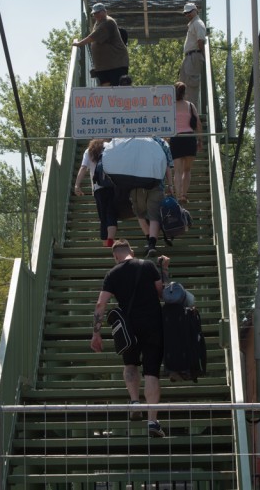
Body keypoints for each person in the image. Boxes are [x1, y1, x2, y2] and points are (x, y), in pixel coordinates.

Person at [90, 241, 170, 438]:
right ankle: (152, 421)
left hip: (127, 328)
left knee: (130, 364)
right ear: (131, 252)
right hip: (153, 324)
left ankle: (134, 402)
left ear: (116, 256)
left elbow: (100, 304)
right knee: (151, 371)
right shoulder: (148, 266)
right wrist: (165, 270)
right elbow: (162, 294)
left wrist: (96, 333)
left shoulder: (112, 274)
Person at [101, 136, 174, 258]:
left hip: (136, 184)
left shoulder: (132, 139)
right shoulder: (161, 142)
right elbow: (167, 166)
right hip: (157, 184)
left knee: (140, 213)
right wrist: (170, 185)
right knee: (154, 215)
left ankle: (148, 238)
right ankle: (152, 244)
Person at [73, 138, 118, 246]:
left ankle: (105, 242)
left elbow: (83, 168)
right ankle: (110, 240)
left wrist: (77, 185)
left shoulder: (89, 151)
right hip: (112, 186)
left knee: (103, 216)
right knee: (111, 213)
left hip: (98, 188)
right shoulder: (109, 146)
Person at [72, 3, 129, 86]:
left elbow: (93, 37)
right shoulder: (98, 23)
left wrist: (79, 43)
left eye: (98, 12)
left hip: (116, 65)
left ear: (105, 12)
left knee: (115, 89)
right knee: (105, 90)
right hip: (104, 67)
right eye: (94, 13)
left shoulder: (108, 22)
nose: (96, 15)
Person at [167, 81, 203, 203]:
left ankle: (178, 196)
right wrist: (200, 140)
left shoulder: (170, 106)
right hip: (189, 138)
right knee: (187, 170)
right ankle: (184, 195)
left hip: (176, 138)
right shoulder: (190, 105)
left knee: (177, 171)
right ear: (184, 93)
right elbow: (198, 123)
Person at [178, 2, 206, 106]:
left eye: (189, 11)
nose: (187, 14)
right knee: (182, 85)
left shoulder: (198, 23)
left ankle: (192, 111)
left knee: (191, 86)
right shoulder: (193, 24)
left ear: (196, 10)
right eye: (185, 13)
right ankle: (184, 109)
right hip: (189, 57)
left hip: (194, 56)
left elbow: (200, 41)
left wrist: (204, 56)